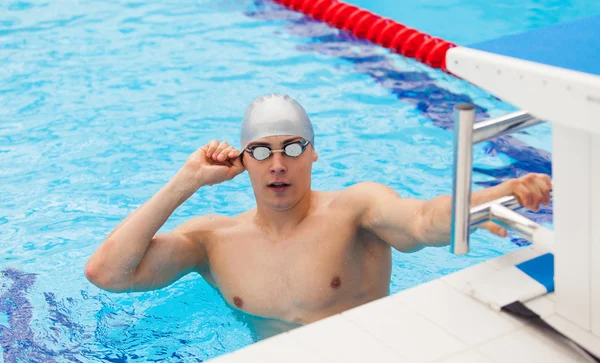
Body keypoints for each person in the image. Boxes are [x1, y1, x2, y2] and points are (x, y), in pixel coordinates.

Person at [85, 94, 552, 338]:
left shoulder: (355, 211)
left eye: (291, 148)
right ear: (243, 162)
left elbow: (423, 220)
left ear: (313, 155)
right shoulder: (213, 241)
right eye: (260, 152)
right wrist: (186, 181)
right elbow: (107, 273)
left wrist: (490, 196)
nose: (277, 164)